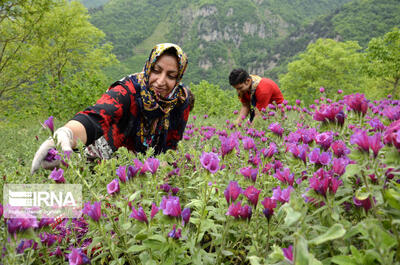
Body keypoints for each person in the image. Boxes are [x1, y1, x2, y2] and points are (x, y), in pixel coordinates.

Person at [31, 43, 194, 174]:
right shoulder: (127, 90)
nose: (161, 81)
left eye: (171, 76)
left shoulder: (180, 100)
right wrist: (67, 133)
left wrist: (164, 168)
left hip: (144, 171)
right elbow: (95, 117)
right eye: (156, 71)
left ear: (178, 78)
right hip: (102, 163)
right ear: (148, 67)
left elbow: (173, 143)